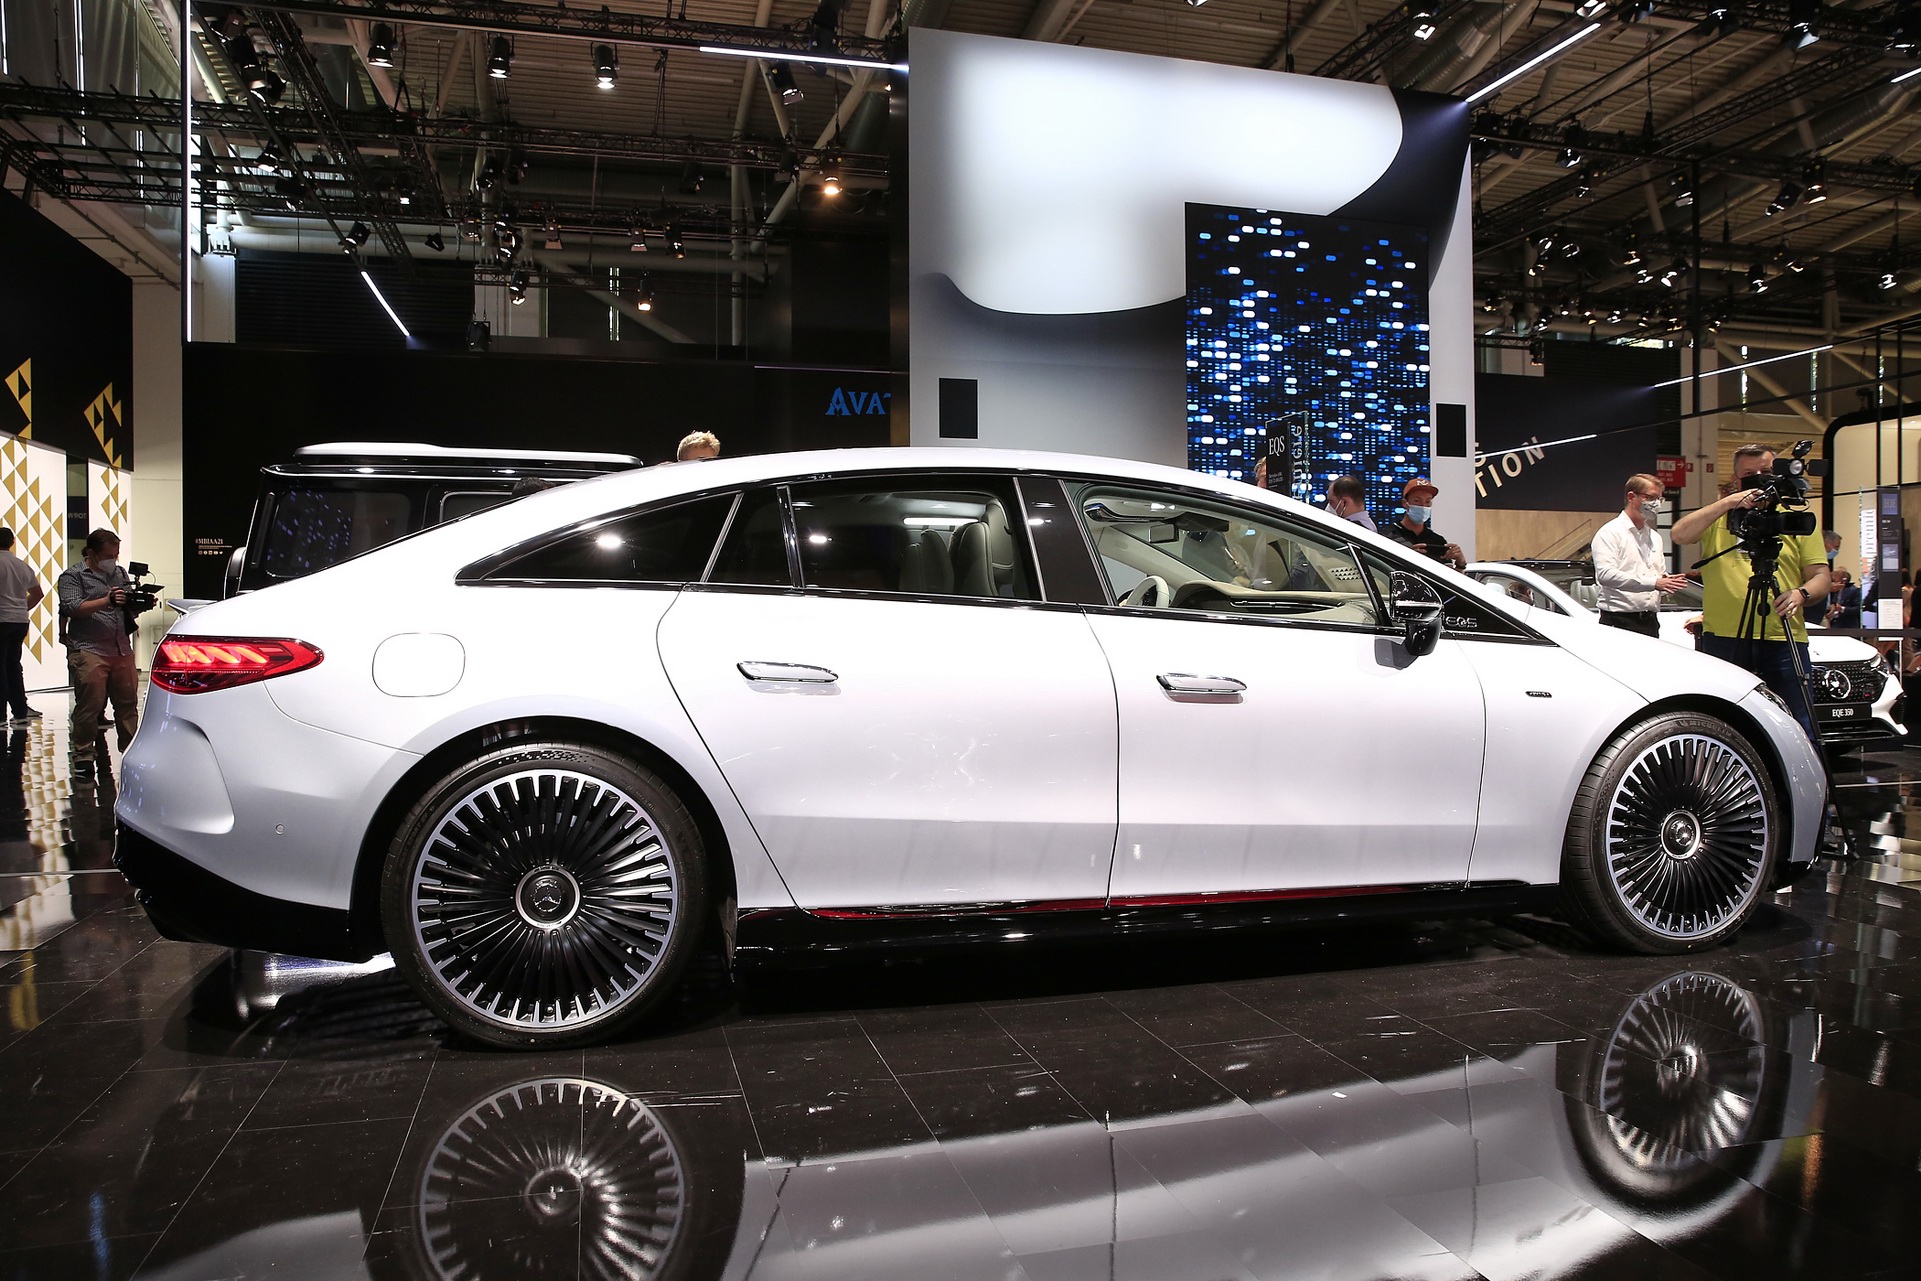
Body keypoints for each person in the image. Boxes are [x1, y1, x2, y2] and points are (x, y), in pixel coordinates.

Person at [1670, 444, 1830, 738]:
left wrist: (1801, 594)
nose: (1759, 478)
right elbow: (1680, 534)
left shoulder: (1791, 517)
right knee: (1723, 724)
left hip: (1782, 638)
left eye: (1766, 472)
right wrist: (1728, 503)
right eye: (1749, 474)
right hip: (1724, 638)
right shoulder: (1720, 517)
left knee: (1797, 723)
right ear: (1736, 479)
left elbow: (1820, 576)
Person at [57, 529, 148, 759]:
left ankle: (130, 754)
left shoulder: (120, 573)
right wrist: (106, 601)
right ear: (92, 553)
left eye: (115, 555)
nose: (112, 560)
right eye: (108, 556)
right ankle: (83, 753)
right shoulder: (73, 576)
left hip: (121, 648)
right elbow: (71, 607)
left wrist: (138, 604)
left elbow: (125, 608)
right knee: (90, 705)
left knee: (128, 705)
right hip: (89, 648)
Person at [1590, 474, 1688, 638]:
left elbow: (1655, 575)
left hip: (1650, 620)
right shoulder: (1610, 532)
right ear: (1631, 497)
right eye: (1650, 498)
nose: (1656, 504)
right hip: (1619, 620)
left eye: (1659, 499)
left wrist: (1667, 581)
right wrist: (1654, 582)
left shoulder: (1654, 537)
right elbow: (1606, 575)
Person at [0, 529, 44, 723]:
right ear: (12, 541)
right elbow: (37, 593)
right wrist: (19, 608)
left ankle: (0, 714)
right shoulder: (22, 565)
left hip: (1, 619)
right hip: (19, 620)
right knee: (13, 665)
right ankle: (20, 711)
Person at [1379, 476, 1465, 570]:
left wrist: (1460, 563)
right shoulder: (1388, 537)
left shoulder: (1438, 540)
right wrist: (1406, 558)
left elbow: (1448, 578)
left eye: (1428, 501)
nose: (1423, 506)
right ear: (1405, 503)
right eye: (1417, 501)